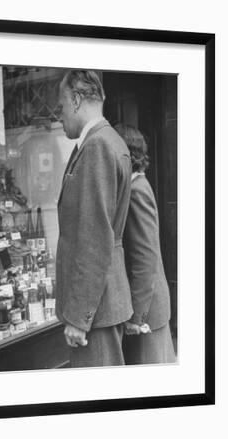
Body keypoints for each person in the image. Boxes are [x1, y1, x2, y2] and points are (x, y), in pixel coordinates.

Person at [55, 70, 133, 367]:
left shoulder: (97, 146)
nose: (59, 115)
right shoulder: (107, 140)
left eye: (61, 106)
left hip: (96, 311)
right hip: (101, 304)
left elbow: (94, 237)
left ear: (76, 100)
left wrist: (79, 317)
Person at [115, 123, 176, 365]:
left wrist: (137, 317)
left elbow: (145, 257)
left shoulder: (136, 189)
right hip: (146, 308)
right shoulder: (134, 186)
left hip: (147, 312)